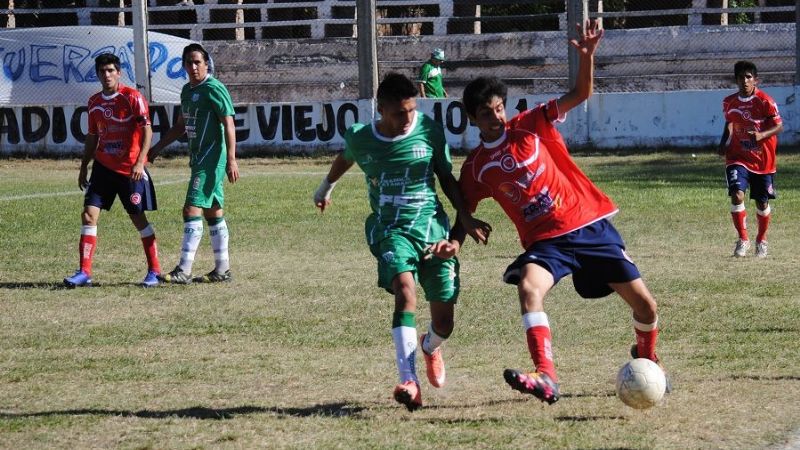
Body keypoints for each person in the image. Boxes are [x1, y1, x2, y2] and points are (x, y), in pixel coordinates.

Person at [437, 20, 669, 405]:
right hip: (546, 245)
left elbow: (581, 92)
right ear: (472, 119)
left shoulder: (530, 126)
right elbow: (464, 205)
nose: (497, 117)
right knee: (529, 288)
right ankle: (546, 375)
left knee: (647, 307)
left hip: (587, 226)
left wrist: (587, 56)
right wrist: (456, 239)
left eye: (499, 108)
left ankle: (648, 358)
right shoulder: (476, 167)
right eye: (487, 112)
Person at [313, 73, 490, 411]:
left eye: (411, 110)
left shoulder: (428, 130)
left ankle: (429, 346)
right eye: (399, 113)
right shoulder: (362, 137)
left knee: (444, 323)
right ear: (381, 110)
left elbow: (446, 177)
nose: (407, 118)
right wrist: (325, 189)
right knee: (405, 292)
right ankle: (409, 380)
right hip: (390, 230)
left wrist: (464, 218)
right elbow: (345, 159)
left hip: (432, 231)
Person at [63, 53, 161, 288]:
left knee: (138, 218)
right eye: (102, 71)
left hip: (130, 170)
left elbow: (147, 131)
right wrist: (84, 165)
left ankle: (155, 270)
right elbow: (93, 135)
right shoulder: (94, 102)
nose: (106, 75)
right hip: (103, 167)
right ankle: (85, 272)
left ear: (118, 72)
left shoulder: (132, 98)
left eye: (110, 70)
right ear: (97, 74)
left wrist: (140, 163)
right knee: (88, 215)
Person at [150, 43, 240, 284]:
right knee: (213, 211)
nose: (193, 66)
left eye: (197, 62)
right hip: (199, 156)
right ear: (184, 65)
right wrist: (157, 148)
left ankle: (184, 269)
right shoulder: (187, 91)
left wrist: (232, 159)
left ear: (206, 64)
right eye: (189, 62)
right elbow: (180, 126)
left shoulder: (214, 88)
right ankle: (222, 269)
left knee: (191, 209)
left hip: (211, 158)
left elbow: (229, 124)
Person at [719, 60, 783, 258]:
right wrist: (723, 143)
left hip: (763, 160)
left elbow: (779, 126)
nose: (744, 81)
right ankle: (743, 239)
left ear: (755, 80)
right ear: (736, 80)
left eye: (748, 77)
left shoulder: (765, 101)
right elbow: (730, 123)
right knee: (737, 194)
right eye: (741, 77)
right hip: (738, 157)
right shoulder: (729, 102)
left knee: (761, 203)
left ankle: (761, 240)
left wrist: (762, 136)